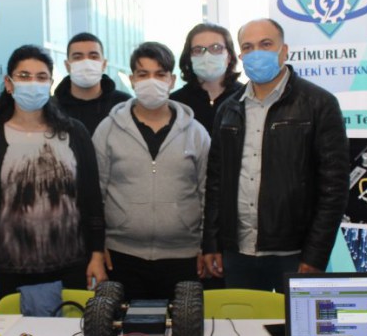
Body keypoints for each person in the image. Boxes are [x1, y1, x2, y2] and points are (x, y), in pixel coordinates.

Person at [200, 18, 349, 293]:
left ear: (284, 51)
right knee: (242, 321)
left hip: (295, 254)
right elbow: (216, 183)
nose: (256, 53)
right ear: (241, 56)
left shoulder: (319, 104)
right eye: (248, 47)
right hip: (237, 253)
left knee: (295, 322)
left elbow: (334, 188)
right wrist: (212, 243)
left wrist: (316, 255)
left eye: (266, 44)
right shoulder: (229, 109)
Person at [0, 45, 107, 316]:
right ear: (9, 83)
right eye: (24, 76)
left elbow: (92, 198)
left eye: (41, 77)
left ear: (51, 83)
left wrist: (97, 253)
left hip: (71, 268)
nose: (33, 83)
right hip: (6, 272)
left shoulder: (75, 133)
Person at [92, 41, 211, 301]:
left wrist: (205, 246)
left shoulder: (196, 133)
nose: (151, 81)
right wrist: (97, 249)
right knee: (125, 326)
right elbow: (95, 194)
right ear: (132, 79)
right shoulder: (108, 130)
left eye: (160, 74)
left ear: (172, 80)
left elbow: (207, 194)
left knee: (183, 324)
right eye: (143, 74)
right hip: (121, 255)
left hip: (183, 257)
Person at [170, 22, 242, 135]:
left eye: (216, 48)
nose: (207, 55)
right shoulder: (175, 103)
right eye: (198, 50)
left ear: (229, 56)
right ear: (189, 58)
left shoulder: (244, 97)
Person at [54, 32, 131, 135]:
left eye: (93, 57)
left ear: (104, 64)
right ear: (67, 66)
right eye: (78, 57)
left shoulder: (123, 105)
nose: (86, 63)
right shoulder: (52, 107)